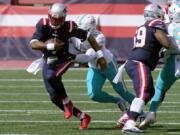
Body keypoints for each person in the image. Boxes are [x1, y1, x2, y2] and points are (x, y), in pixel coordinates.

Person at [29, 3, 107, 129]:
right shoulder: (42, 24)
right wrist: (50, 46)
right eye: (53, 18)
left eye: (59, 19)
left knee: (51, 76)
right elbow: (33, 44)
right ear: (49, 15)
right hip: (48, 59)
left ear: (64, 18)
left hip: (64, 58)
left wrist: (100, 55)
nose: (55, 21)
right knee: (54, 97)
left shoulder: (70, 26)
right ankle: (82, 116)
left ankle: (66, 101)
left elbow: (89, 37)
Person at [117, 4, 171, 133]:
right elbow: (166, 43)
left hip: (136, 62)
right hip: (139, 63)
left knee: (149, 92)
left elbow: (150, 47)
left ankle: (128, 116)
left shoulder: (143, 26)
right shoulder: (156, 23)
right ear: (155, 14)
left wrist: (160, 53)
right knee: (144, 92)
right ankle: (130, 123)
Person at [68, 14, 135, 113]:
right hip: (94, 67)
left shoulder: (99, 37)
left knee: (121, 90)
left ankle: (141, 112)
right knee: (94, 94)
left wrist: (71, 57)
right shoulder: (75, 36)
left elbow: (88, 57)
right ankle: (119, 101)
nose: (79, 31)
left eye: (82, 29)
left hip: (108, 65)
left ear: (89, 28)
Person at [139, 3, 180, 129]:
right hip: (173, 57)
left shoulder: (166, 26)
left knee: (160, 88)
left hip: (173, 59)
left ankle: (151, 112)